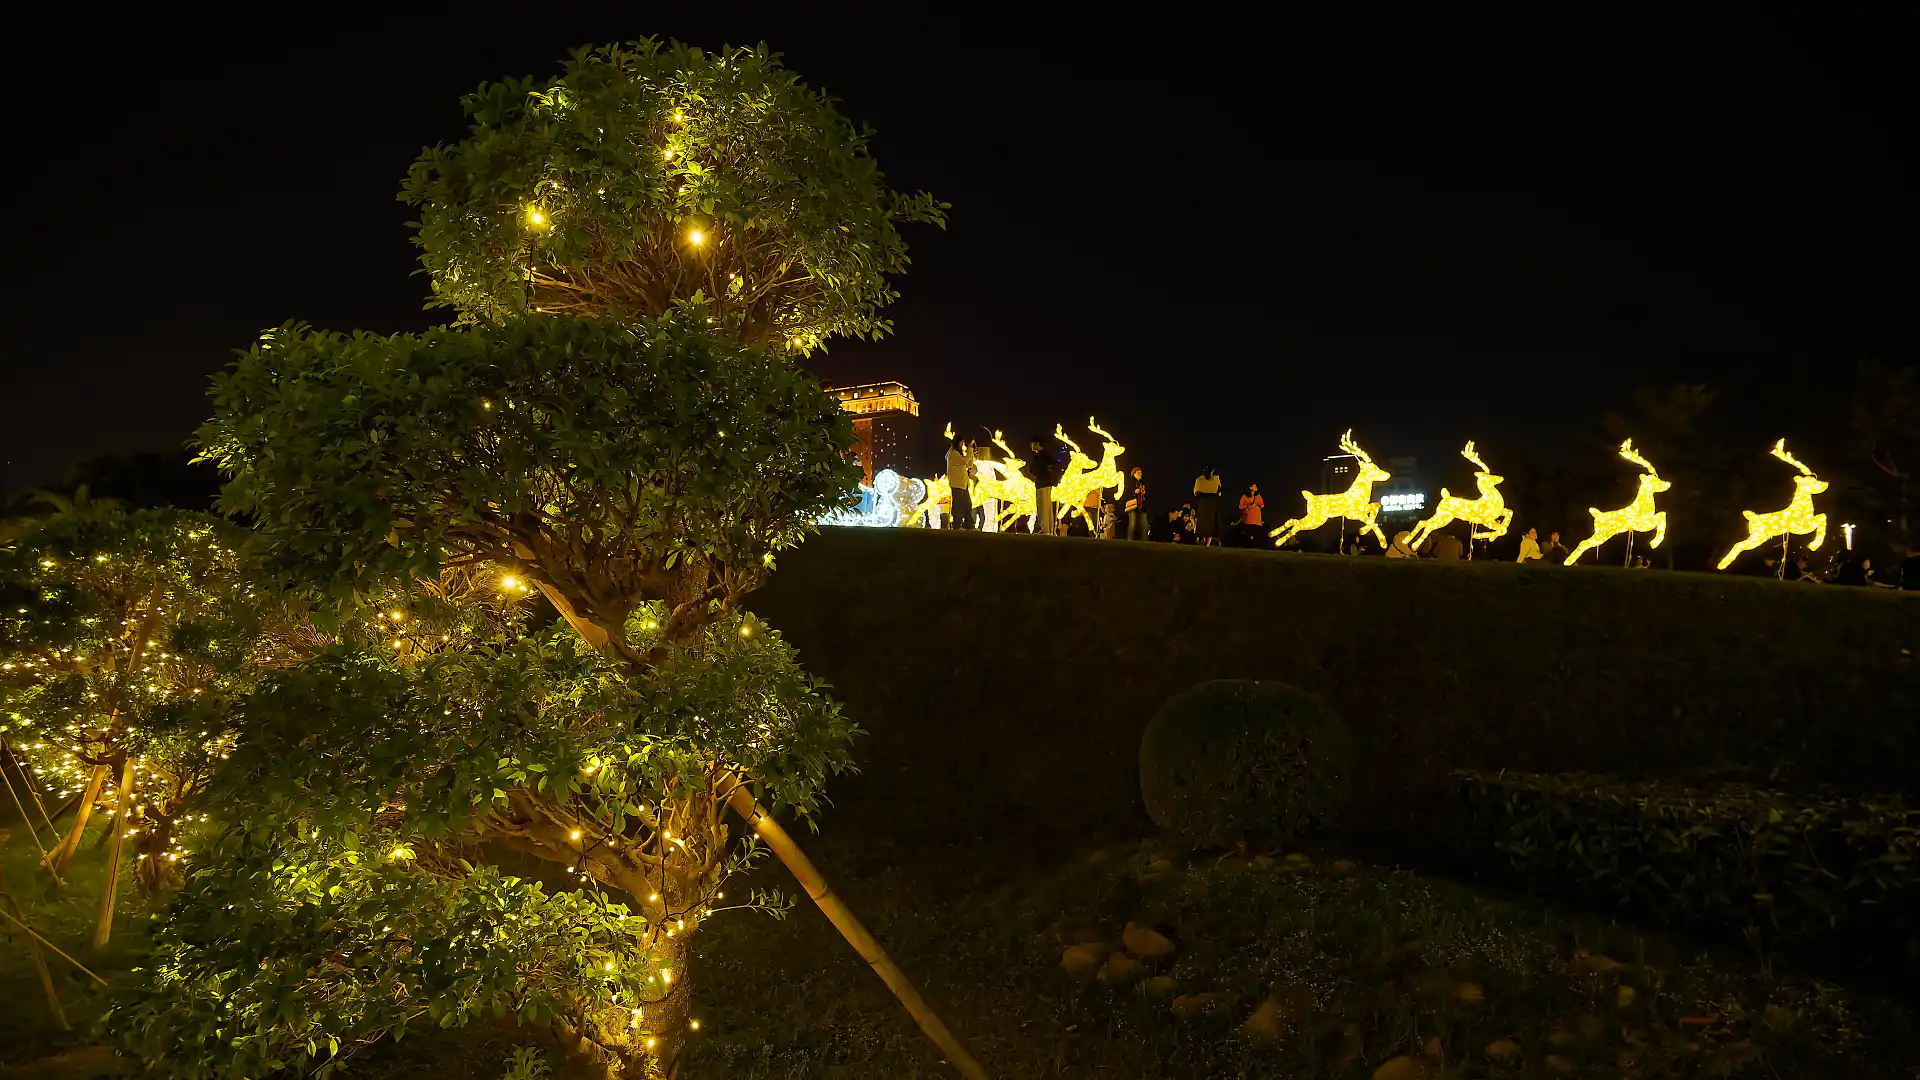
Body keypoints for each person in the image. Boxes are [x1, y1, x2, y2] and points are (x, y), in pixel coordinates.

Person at [1026, 434, 1062, 536]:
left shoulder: (1040, 456)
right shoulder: (1046, 456)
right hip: (1046, 483)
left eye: (1032, 443)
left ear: (1037, 444)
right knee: (1047, 507)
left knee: (1042, 506)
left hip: (1042, 483)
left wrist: (1044, 471)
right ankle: (1049, 529)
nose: (1031, 446)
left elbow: (1032, 470)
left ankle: (1045, 529)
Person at [944, 433, 973, 530]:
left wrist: (971, 452)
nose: (962, 445)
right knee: (958, 505)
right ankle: (957, 524)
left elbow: (969, 464)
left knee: (967, 504)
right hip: (957, 484)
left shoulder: (957, 454)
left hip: (963, 484)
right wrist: (969, 449)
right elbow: (965, 462)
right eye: (962, 443)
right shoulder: (953, 454)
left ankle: (969, 524)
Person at [1192, 466, 1222, 546]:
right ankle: (1203, 540)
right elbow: (1196, 492)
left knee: (1210, 524)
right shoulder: (1200, 479)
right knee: (1204, 522)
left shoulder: (1216, 479)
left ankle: (1207, 543)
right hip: (1204, 502)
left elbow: (1219, 492)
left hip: (1211, 503)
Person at [1125, 466, 1149, 541]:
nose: (1140, 474)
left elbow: (1148, 495)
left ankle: (1144, 542)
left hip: (1142, 506)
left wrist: (1145, 493)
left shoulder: (1143, 483)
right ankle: (1130, 541)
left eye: (1141, 472)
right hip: (1133, 506)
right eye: (1138, 472)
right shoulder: (1130, 482)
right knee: (1132, 525)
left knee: (1144, 525)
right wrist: (1134, 492)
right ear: (1134, 473)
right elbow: (1126, 493)